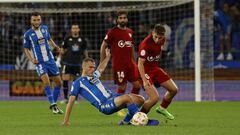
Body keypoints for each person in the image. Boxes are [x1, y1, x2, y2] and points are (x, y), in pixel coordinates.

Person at [61, 48, 159, 126]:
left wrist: (107, 57)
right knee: (127, 98)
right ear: (83, 67)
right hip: (104, 105)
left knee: (140, 99)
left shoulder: (94, 76)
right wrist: (66, 120)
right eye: (90, 67)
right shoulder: (78, 83)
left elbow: (101, 67)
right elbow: (71, 101)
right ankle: (143, 121)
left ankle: (125, 122)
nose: (93, 69)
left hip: (113, 98)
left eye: (93, 67)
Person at [100, 10, 141, 116]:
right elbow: (103, 46)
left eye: (124, 18)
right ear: (117, 19)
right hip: (119, 65)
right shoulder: (113, 32)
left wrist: (134, 61)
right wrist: (102, 62)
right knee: (122, 87)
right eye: (120, 18)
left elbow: (131, 46)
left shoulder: (130, 31)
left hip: (130, 64)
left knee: (137, 85)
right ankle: (119, 108)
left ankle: (132, 104)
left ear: (127, 19)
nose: (122, 20)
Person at [23, 12, 63, 114]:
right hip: (40, 62)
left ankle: (53, 104)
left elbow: (49, 39)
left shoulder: (45, 28)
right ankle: (53, 105)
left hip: (50, 60)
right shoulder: (28, 34)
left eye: (38, 20)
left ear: (40, 20)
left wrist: (56, 47)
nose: (36, 22)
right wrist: (32, 60)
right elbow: (26, 49)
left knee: (59, 82)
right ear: (31, 21)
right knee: (46, 82)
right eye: (34, 20)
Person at [138, 24, 178, 120]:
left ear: (163, 37)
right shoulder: (145, 44)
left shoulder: (162, 40)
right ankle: (138, 117)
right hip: (145, 71)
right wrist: (144, 80)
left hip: (155, 69)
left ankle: (162, 108)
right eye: (155, 37)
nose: (157, 40)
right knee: (154, 98)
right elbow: (140, 64)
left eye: (159, 38)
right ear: (152, 33)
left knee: (174, 89)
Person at [59, 24, 89, 104]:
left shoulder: (82, 39)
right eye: (73, 28)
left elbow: (85, 51)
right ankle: (65, 98)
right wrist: (60, 56)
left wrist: (87, 60)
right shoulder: (67, 38)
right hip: (67, 62)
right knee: (65, 79)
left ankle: (74, 99)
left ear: (78, 29)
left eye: (76, 28)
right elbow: (62, 49)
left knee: (76, 81)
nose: (75, 30)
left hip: (77, 63)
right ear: (71, 30)